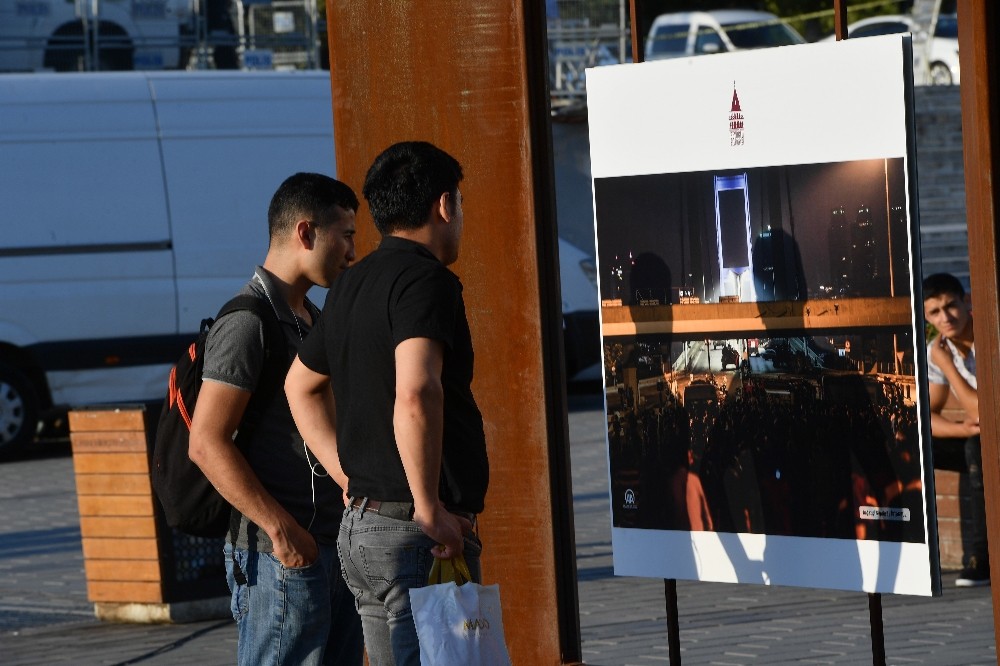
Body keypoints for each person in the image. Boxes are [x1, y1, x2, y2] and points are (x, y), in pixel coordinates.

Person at [285, 141, 489, 665]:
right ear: (445, 205)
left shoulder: (352, 283)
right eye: (460, 203)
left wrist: (345, 474)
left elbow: (300, 387)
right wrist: (428, 509)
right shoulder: (426, 282)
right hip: (416, 532)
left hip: (364, 528)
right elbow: (417, 392)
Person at [188, 172, 364, 664]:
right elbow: (206, 442)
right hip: (280, 558)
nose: (353, 251)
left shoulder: (311, 316)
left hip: (331, 547)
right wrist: (281, 532)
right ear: (306, 233)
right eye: (346, 235)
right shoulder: (247, 323)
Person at [923, 272, 990, 587]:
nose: (945, 317)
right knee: (922, 444)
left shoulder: (988, 335)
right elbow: (927, 416)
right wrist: (962, 430)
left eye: (950, 306)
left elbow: (984, 412)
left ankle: (983, 559)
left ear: (966, 302)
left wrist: (948, 365)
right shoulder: (936, 350)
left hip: (991, 436)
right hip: (980, 438)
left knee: (976, 447)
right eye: (934, 312)